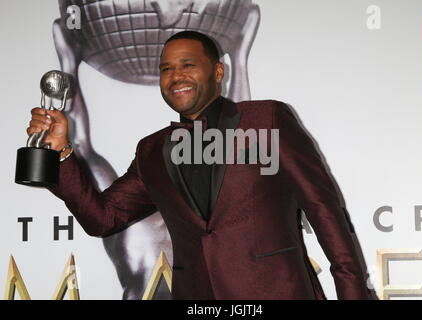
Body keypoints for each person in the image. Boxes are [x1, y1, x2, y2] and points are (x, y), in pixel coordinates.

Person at [27, 31, 372, 299]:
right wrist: (61, 151)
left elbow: (324, 210)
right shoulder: (153, 150)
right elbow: (101, 218)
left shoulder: (266, 119)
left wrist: (352, 292)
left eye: (187, 64)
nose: (175, 76)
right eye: (166, 69)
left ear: (218, 71)